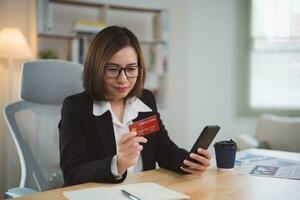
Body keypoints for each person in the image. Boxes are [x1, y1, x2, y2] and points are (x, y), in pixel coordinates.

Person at [59, 26, 211, 186]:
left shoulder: (146, 99)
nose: (123, 79)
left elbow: (164, 150)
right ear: (95, 69)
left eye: (131, 69)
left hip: (145, 192)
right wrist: (117, 164)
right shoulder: (76, 108)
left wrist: (191, 162)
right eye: (112, 69)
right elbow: (72, 173)